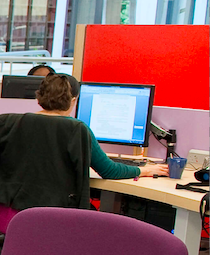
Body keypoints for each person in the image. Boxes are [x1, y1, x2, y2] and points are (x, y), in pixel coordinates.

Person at [34, 73, 166, 179]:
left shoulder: (20, 121)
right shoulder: (76, 128)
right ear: (73, 100)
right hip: (60, 203)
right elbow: (110, 171)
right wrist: (146, 170)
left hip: (24, 203)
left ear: (39, 97)